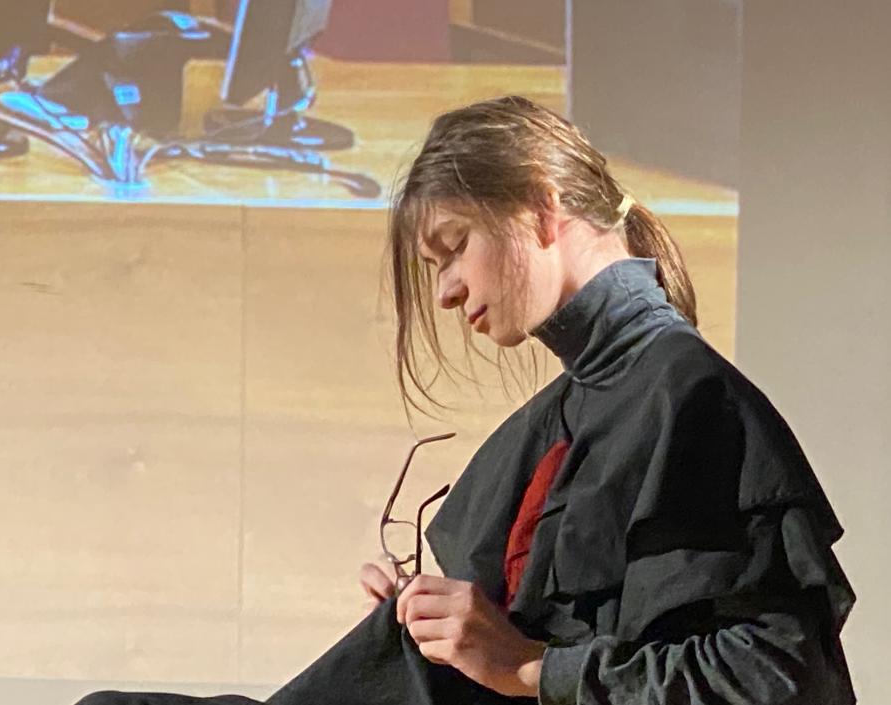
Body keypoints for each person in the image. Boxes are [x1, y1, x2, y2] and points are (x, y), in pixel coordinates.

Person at [75, 96, 855, 705]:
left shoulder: (689, 399)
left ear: (541, 208)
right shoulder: (573, 409)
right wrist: (436, 624)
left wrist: (529, 666)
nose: (447, 290)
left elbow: (781, 676)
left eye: (455, 247)